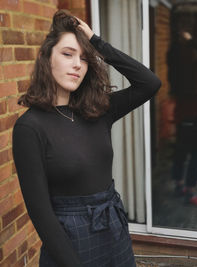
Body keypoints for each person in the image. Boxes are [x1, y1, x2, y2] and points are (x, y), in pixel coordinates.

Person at [12, 10, 161, 267]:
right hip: (71, 242)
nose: (77, 65)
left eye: (84, 58)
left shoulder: (98, 111)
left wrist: (96, 42)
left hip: (114, 228)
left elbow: (149, 82)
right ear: (46, 58)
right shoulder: (30, 127)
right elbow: (41, 214)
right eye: (68, 54)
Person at [167, 30, 197, 206]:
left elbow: (171, 55)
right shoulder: (187, 73)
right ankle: (188, 190)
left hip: (185, 114)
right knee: (194, 154)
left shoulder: (178, 71)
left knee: (183, 152)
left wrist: (186, 40)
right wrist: (191, 41)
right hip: (190, 115)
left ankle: (181, 186)